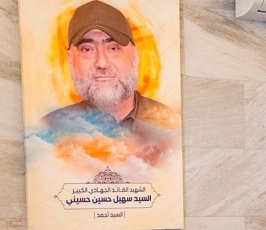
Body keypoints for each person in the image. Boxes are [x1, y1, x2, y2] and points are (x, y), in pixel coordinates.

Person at [42, 0, 178, 137]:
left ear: (135, 55)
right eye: (87, 49)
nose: (102, 63)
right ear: (70, 59)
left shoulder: (174, 126)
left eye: (113, 48)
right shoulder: (46, 132)